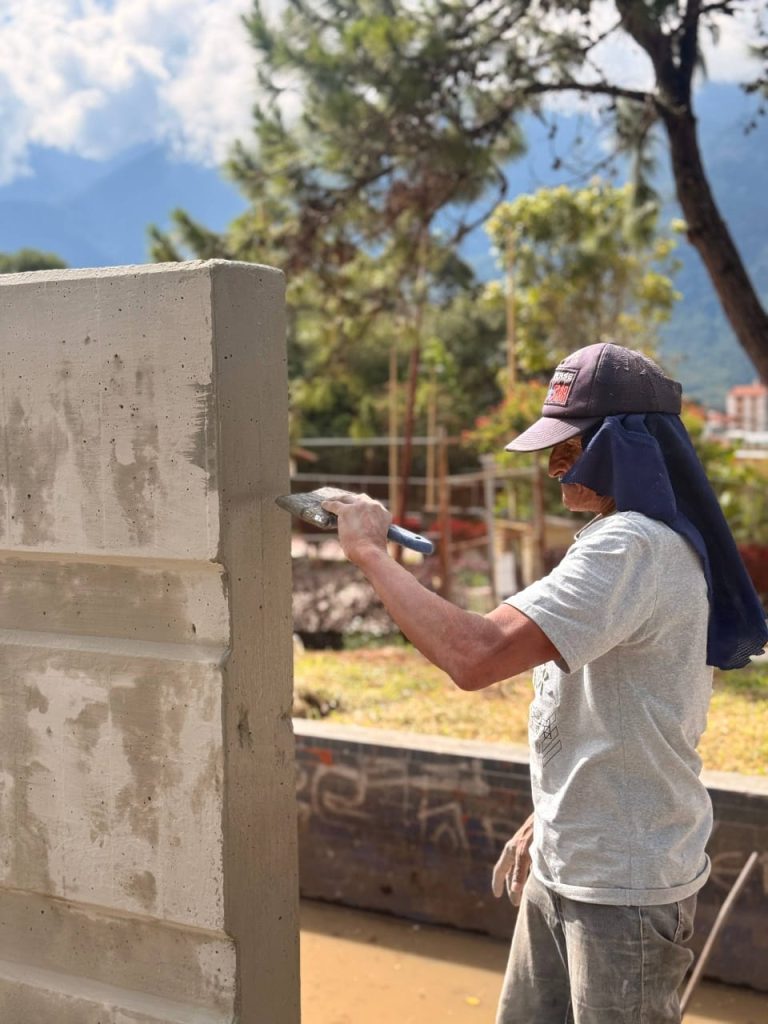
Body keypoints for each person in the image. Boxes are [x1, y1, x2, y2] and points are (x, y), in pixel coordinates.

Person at [320, 342, 768, 1024]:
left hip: (620, 889)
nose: (555, 467)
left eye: (571, 449)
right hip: (571, 859)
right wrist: (551, 815)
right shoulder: (622, 539)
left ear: (626, 447)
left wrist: (369, 553)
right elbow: (619, 710)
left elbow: (475, 655)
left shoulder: (632, 547)